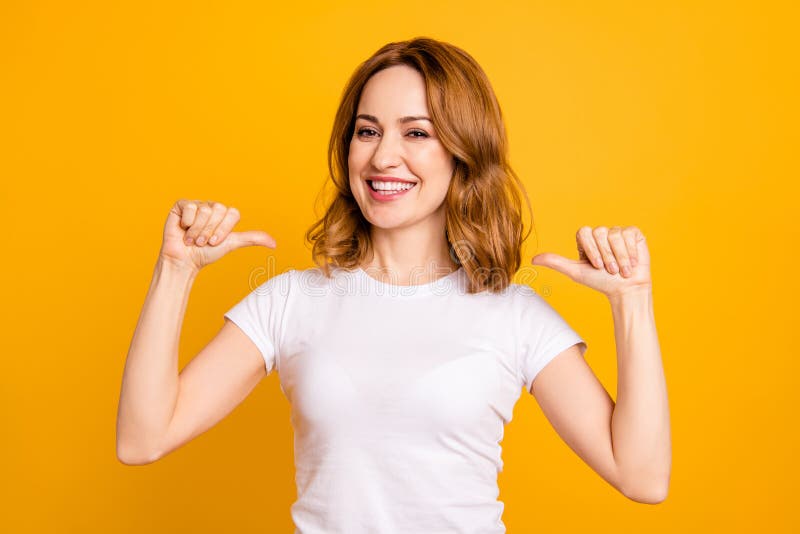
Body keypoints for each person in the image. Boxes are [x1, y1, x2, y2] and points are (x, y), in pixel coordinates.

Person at [116, 37, 671, 533]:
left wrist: (631, 301)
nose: (383, 155)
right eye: (367, 131)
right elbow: (143, 438)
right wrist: (176, 270)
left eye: (417, 132)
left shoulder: (514, 314)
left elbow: (642, 477)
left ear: (462, 154)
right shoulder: (289, 301)